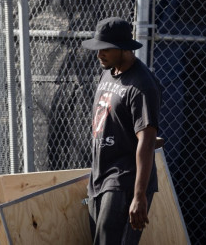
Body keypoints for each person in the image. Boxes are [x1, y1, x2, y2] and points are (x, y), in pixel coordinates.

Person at [82, 16, 162, 245]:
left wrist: (139, 197)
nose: (99, 55)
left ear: (124, 49)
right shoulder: (109, 72)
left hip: (124, 181)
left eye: (105, 49)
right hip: (100, 176)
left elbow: (146, 142)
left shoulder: (143, 85)